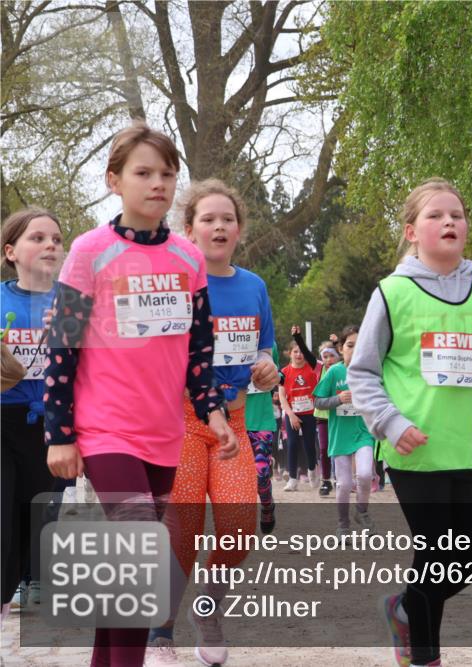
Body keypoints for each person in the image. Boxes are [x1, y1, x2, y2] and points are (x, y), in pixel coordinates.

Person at [44, 122, 236, 667]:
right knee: (140, 554)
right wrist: (60, 434)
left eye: (168, 174)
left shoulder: (188, 258)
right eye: (144, 173)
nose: (158, 184)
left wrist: (214, 411)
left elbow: (200, 351)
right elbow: (62, 347)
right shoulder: (89, 252)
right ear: (114, 181)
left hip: (164, 435)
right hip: (106, 430)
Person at [349, 177, 472, 667]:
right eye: (436, 215)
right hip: (415, 452)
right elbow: (364, 372)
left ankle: (402, 610)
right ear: (411, 231)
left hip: (471, 447)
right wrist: (392, 424)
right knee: (437, 554)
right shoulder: (392, 292)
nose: (449, 223)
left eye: (457, 215)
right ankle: (425, 656)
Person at [145, 179, 280, 667]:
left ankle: (208, 607)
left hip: (236, 423)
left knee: (241, 525)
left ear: (239, 230)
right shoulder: (175, 284)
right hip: (182, 420)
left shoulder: (254, 286)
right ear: (189, 229)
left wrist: (268, 365)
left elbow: (265, 349)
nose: (219, 226)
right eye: (208, 219)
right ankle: (161, 632)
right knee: (181, 527)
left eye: (228, 219)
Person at [1, 208, 63, 629]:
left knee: (33, 519)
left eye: (56, 240)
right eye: (38, 238)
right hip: (2, 421)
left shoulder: (74, 302)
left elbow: (96, 371)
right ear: (11, 251)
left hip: (51, 426)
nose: (50, 246)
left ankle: (22, 589)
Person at [314, 325, 375, 536]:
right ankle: (343, 525)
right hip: (340, 436)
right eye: (350, 345)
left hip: (364, 433)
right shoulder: (334, 372)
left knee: (366, 475)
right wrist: (338, 399)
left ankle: (362, 511)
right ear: (341, 348)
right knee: (344, 483)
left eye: (361, 345)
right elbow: (318, 401)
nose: (355, 349)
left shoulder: (370, 371)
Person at [278, 326, 320, 491]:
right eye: (295, 351)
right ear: (290, 354)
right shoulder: (284, 372)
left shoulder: (312, 367)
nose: (298, 354)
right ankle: (292, 479)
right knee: (292, 444)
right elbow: (281, 396)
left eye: (300, 351)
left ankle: (312, 471)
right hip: (292, 413)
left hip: (309, 413)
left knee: (310, 444)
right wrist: (290, 415)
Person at [246, 347, 281, 533]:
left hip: (262, 420)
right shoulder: (222, 334)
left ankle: (267, 505)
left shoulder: (269, 344)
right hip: (232, 419)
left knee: (261, 472)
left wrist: (272, 378)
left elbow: (279, 375)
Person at [315, 340, 339, 497]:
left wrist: (337, 342)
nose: (328, 359)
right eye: (325, 356)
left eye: (332, 356)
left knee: (339, 448)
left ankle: (340, 479)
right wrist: (297, 337)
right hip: (323, 415)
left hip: (340, 415)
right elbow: (306, 353)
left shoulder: (342, 369)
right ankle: (325, 480)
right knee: (324, 449)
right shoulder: (319, 368)